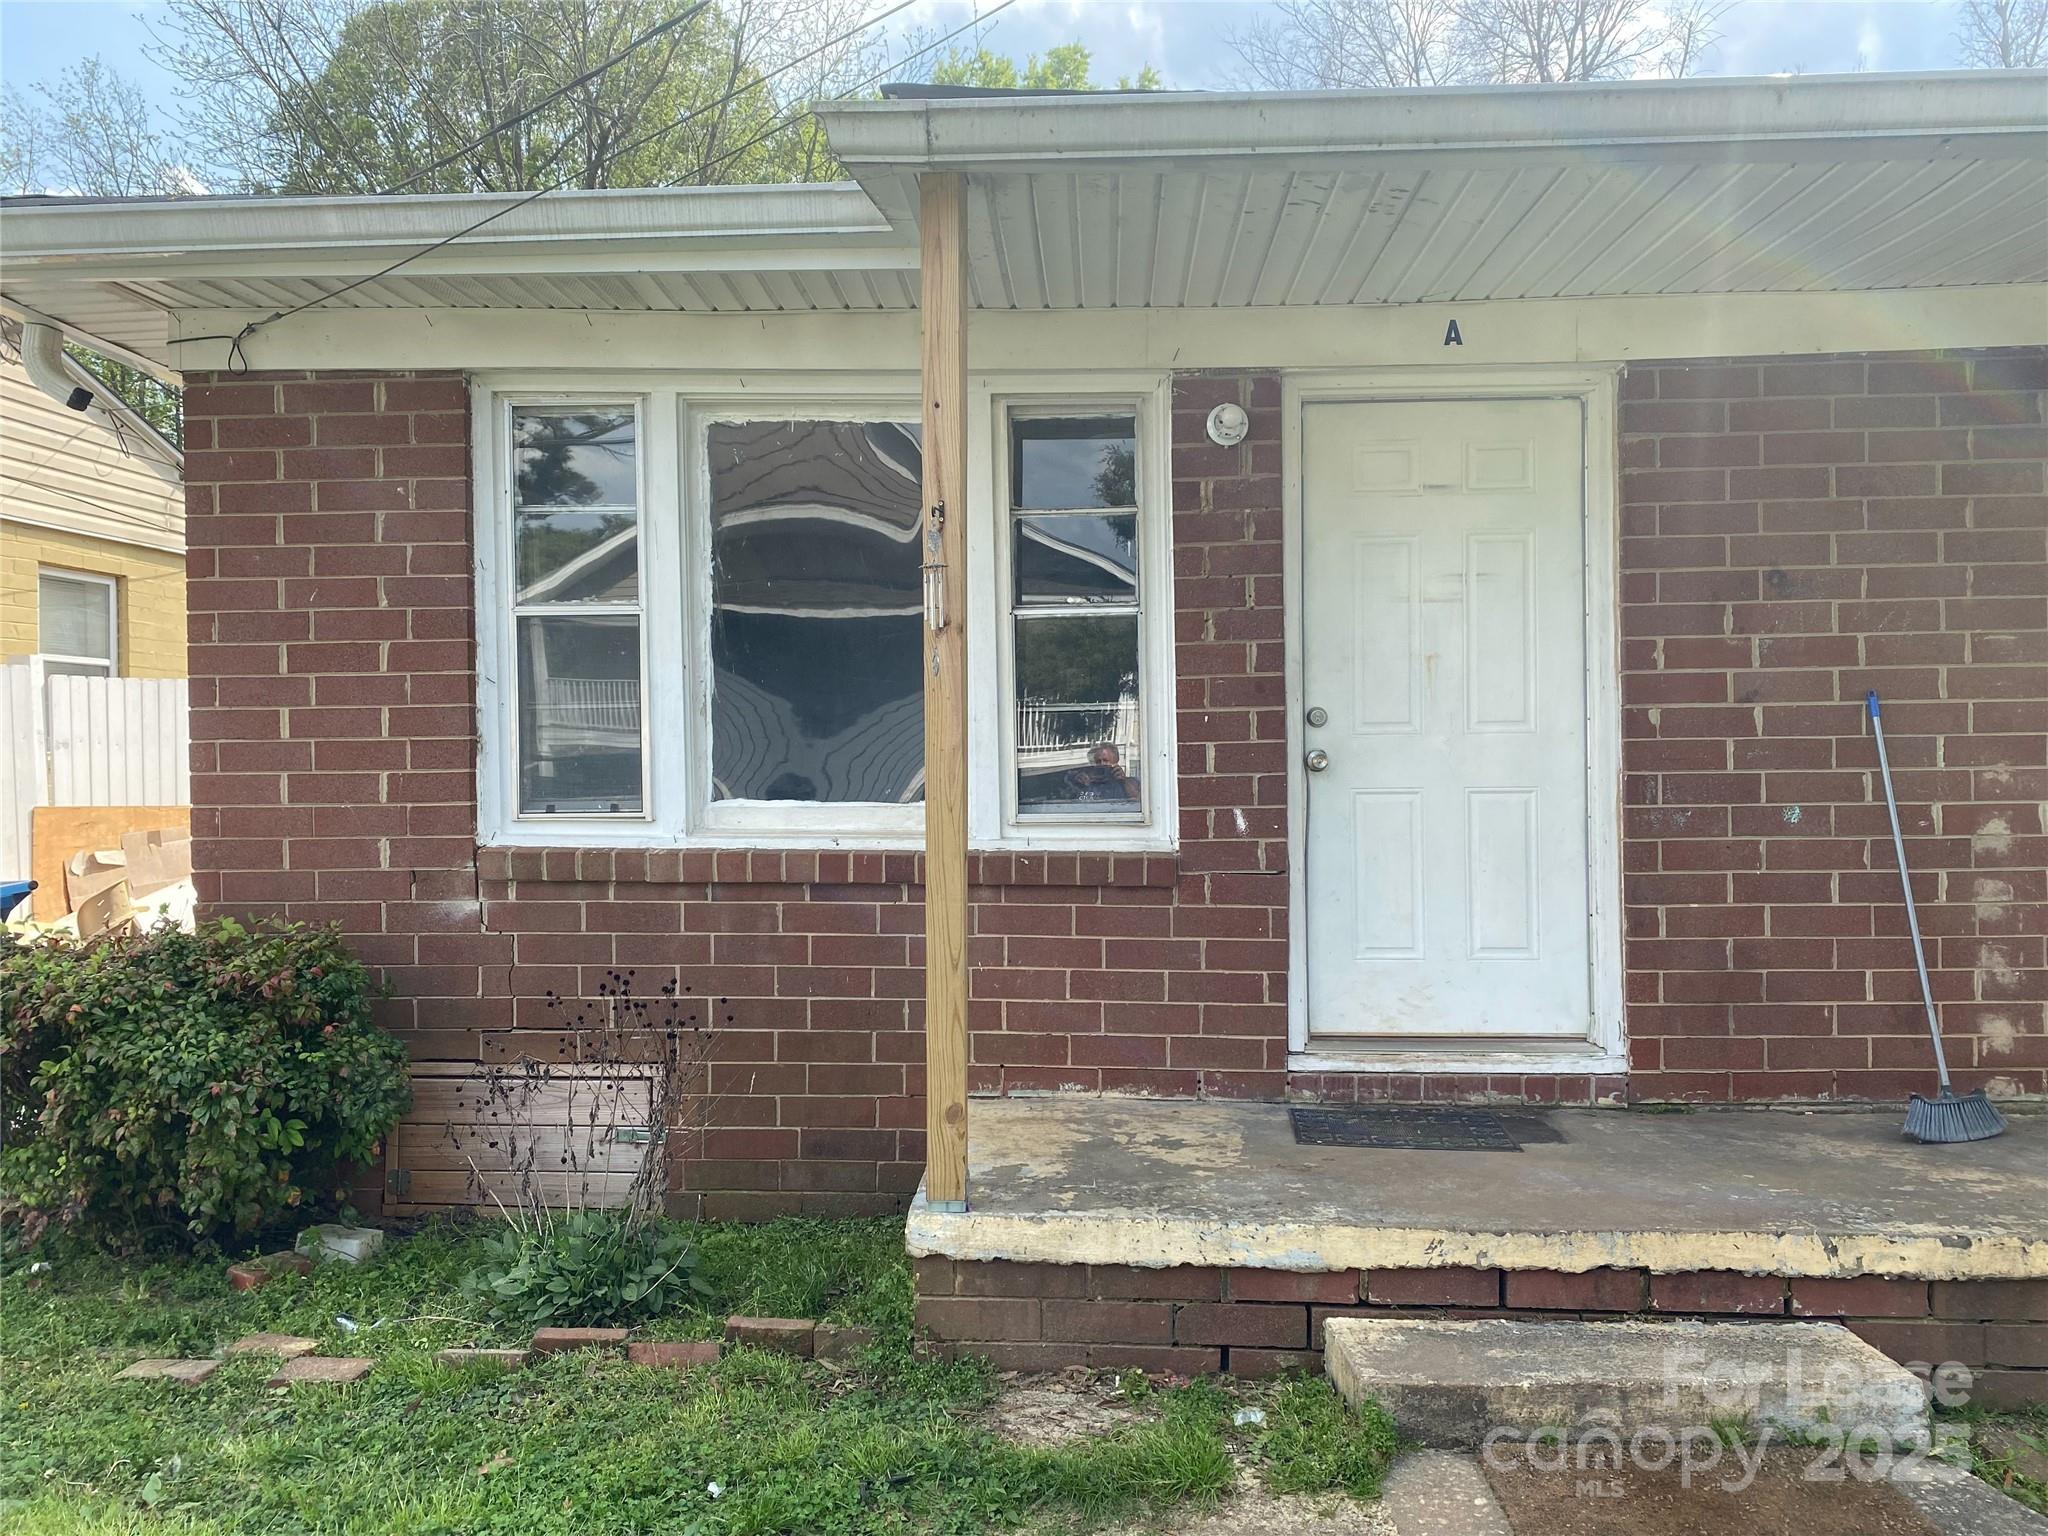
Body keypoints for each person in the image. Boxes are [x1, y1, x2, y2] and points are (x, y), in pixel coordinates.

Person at [1065, 743, 1141, 803]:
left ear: (1115, 762)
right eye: (1098, 762)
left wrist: (1124, 781)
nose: (1102, 764)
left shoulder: (1129, 783)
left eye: (1106, 761)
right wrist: (1077, 781)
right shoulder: (1086, 783)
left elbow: (1139, 803)